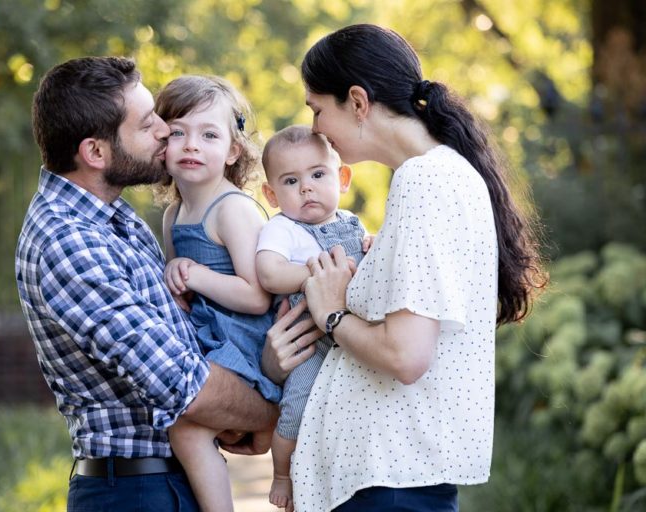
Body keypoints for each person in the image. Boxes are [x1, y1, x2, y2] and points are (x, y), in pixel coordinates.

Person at [262, 24, 546, 511]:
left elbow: (404, 356)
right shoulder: (432, 178)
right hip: (384, 481)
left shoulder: (426, 181)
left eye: (316, 109)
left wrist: (333, 313)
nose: (315, 129)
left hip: (389, 485)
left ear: (356, 101)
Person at [15, 57, 318, 512]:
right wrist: (269, 415)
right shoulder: (68, 240)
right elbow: (184, 387)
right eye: (149, 124)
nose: (164, 132)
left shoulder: (116, 220)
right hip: (135, 492)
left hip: (166, 480)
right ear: (95, 153)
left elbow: (185, 326)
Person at [153, 74, 280, 512]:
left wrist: (196, 275)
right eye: (177, 133)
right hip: (206, 338)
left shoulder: (233, 210)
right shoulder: (173, 214)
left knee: (187, 428)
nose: (191, 145)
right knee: (184, 424)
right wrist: (176, 284)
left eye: (209, 135)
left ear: (232, 151)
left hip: (244, 343)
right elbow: (182, 295)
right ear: (160, 143)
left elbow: (257, 295)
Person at [254, 125, 371, 512]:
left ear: (342, 178)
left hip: (351, 337)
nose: (306, 188)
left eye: (318, 175)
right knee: (297, 407)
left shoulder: (352, 222)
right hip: (309, 343)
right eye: (291, 181)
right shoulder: (282, 229)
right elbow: (269, 273)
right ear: (271, 195)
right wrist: (321, 276)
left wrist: (373, 247)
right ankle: (283, 474)